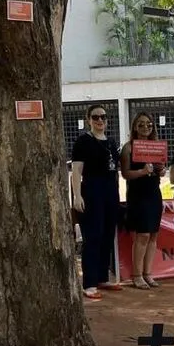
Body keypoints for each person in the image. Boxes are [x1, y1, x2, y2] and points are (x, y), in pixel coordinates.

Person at [70, 105, 122, 300]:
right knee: (93, 236)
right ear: (88, 119)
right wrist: (77, 196)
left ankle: (102, 277)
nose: (100, 120)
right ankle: (89, 283)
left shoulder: (111, 141)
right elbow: (76, 171)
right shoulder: (83, 141)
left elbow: (115, 169)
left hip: (110, 192)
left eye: (103, 117)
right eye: (95, 117)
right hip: (92, 191)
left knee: (108, 235)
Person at [121, 112, 165, 290]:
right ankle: (136, 275)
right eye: (141, 124)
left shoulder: (156, 147)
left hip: (154, 193)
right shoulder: (128, 147)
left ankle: (148, 273)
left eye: (149, 124)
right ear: (134, 127)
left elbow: (160, 171)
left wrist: (161, 171)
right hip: (138, 195)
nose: (145, 127)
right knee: (142, 235)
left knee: (153, 235)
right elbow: (125, 174)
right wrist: (142, 172)